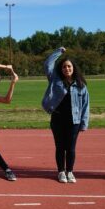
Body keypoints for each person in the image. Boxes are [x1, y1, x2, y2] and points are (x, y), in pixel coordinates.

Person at [42, 47, 89, 183]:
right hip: (57, 120)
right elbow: (47, 64)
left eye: (69, 66)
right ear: (60, 69)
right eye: (64, 67)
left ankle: (70, 172)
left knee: (71, 148)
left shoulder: (81, 85)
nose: (66, 69)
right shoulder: (55, 79)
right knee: (60, 147)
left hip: (74, 121)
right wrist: (59, 52)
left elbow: (86, 105)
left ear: (73, 68)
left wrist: (84, 123)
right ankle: (61, 172)